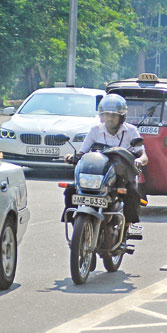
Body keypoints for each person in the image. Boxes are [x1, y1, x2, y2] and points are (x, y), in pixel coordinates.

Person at [63, 94, 148, 235]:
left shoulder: (131, 131)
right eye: (106, 115)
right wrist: (72, 157)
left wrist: (139, 161)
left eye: (113, 115)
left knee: (132, 192)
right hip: (98, 175)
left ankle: (127, 226)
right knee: (71, 190)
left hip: (121, 176)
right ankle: (78, 226)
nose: (109, 119)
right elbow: (83, 153)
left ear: (121, 117)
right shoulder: (95, 130)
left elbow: (143, 155)